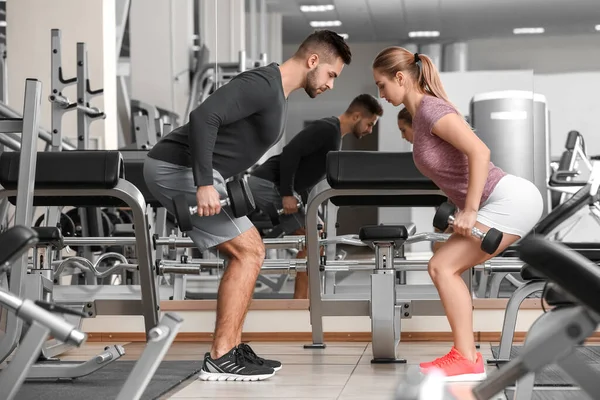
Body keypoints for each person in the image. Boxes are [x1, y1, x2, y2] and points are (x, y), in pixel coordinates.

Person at [143, 30, 352, 382]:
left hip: (199, 174)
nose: (332, 84)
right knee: (250, 251)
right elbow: (204, 116)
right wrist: (205, 182)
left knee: (250, 251)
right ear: (313, 61)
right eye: (332, 74)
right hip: (174, 168)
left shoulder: (278, 94)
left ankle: (232, 348)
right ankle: (222, 354)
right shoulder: (263, 83)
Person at [372, 48, 543, 381]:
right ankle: (465, 354)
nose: (380, 94)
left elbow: (480, 152)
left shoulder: (432, 109)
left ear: (401, 78)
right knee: (443, 262)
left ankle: (466, 357)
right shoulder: (420, 116)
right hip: (501, 199)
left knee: (441, 266)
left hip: (509, 199)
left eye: (382, 84)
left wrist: (471, 210)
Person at [248, 93, 383, 299]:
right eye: (369, 123)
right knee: (312, 239)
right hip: (267, 184)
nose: (370, 130)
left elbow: (305, 175)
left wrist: (310, 208)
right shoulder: (328, 129)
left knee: (316, 233)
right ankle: (301, 305)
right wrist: (286, 193)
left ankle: (306, 301)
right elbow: (291, 152)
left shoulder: (335, 136)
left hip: (273, 185)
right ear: (357, 116)